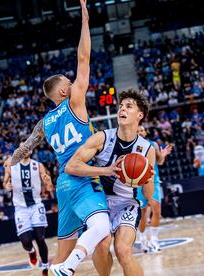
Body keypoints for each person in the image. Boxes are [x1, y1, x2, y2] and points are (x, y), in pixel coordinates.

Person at [10, 1, 111, 275]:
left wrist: (11, 164)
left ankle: (60, 267)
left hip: (63, 183)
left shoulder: (44, 122)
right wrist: (85, 22)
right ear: (64, 92)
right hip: (82, 176)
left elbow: (24, 149)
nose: (75, 82)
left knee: (60, 252)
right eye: (70, 81)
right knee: (102, 235)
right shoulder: (75, 101)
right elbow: (83, 58)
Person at [65, 89, 156, 276]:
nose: (122, 109)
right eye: (121, 106)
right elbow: (71, 166)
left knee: (123, 251)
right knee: (102, 245)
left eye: (128, 106)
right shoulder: (102, 138)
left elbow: (147, 195)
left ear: (140, 115)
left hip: (126, 204)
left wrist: (147, 179)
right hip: (100, 203)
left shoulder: (147, 149)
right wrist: (106, 170)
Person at [3, 151, 52, 276]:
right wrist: (7, 185)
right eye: (23, 147)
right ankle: (31, 251)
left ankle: (45, 267)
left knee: (40, 238)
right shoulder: (11, 164)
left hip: (36, 205)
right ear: (19, 150)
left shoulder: (38, 165)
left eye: (28, 147)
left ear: (31, 150)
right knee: (26, 241)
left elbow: (49, 185)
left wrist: (48, 181)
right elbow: (5, 182)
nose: (26, 149)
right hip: (20, 208)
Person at [136, 125, 172, 252]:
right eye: (138, 130)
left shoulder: (153, 144)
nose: (140, 132)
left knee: (157, 210)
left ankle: (154, 240)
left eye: (142, 130)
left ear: (145, 132)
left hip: (153, 180)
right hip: (138, 182)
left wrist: (163, 155)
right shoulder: (131, 146)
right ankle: (142, 239)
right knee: (143, 213)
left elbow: (160, 162)